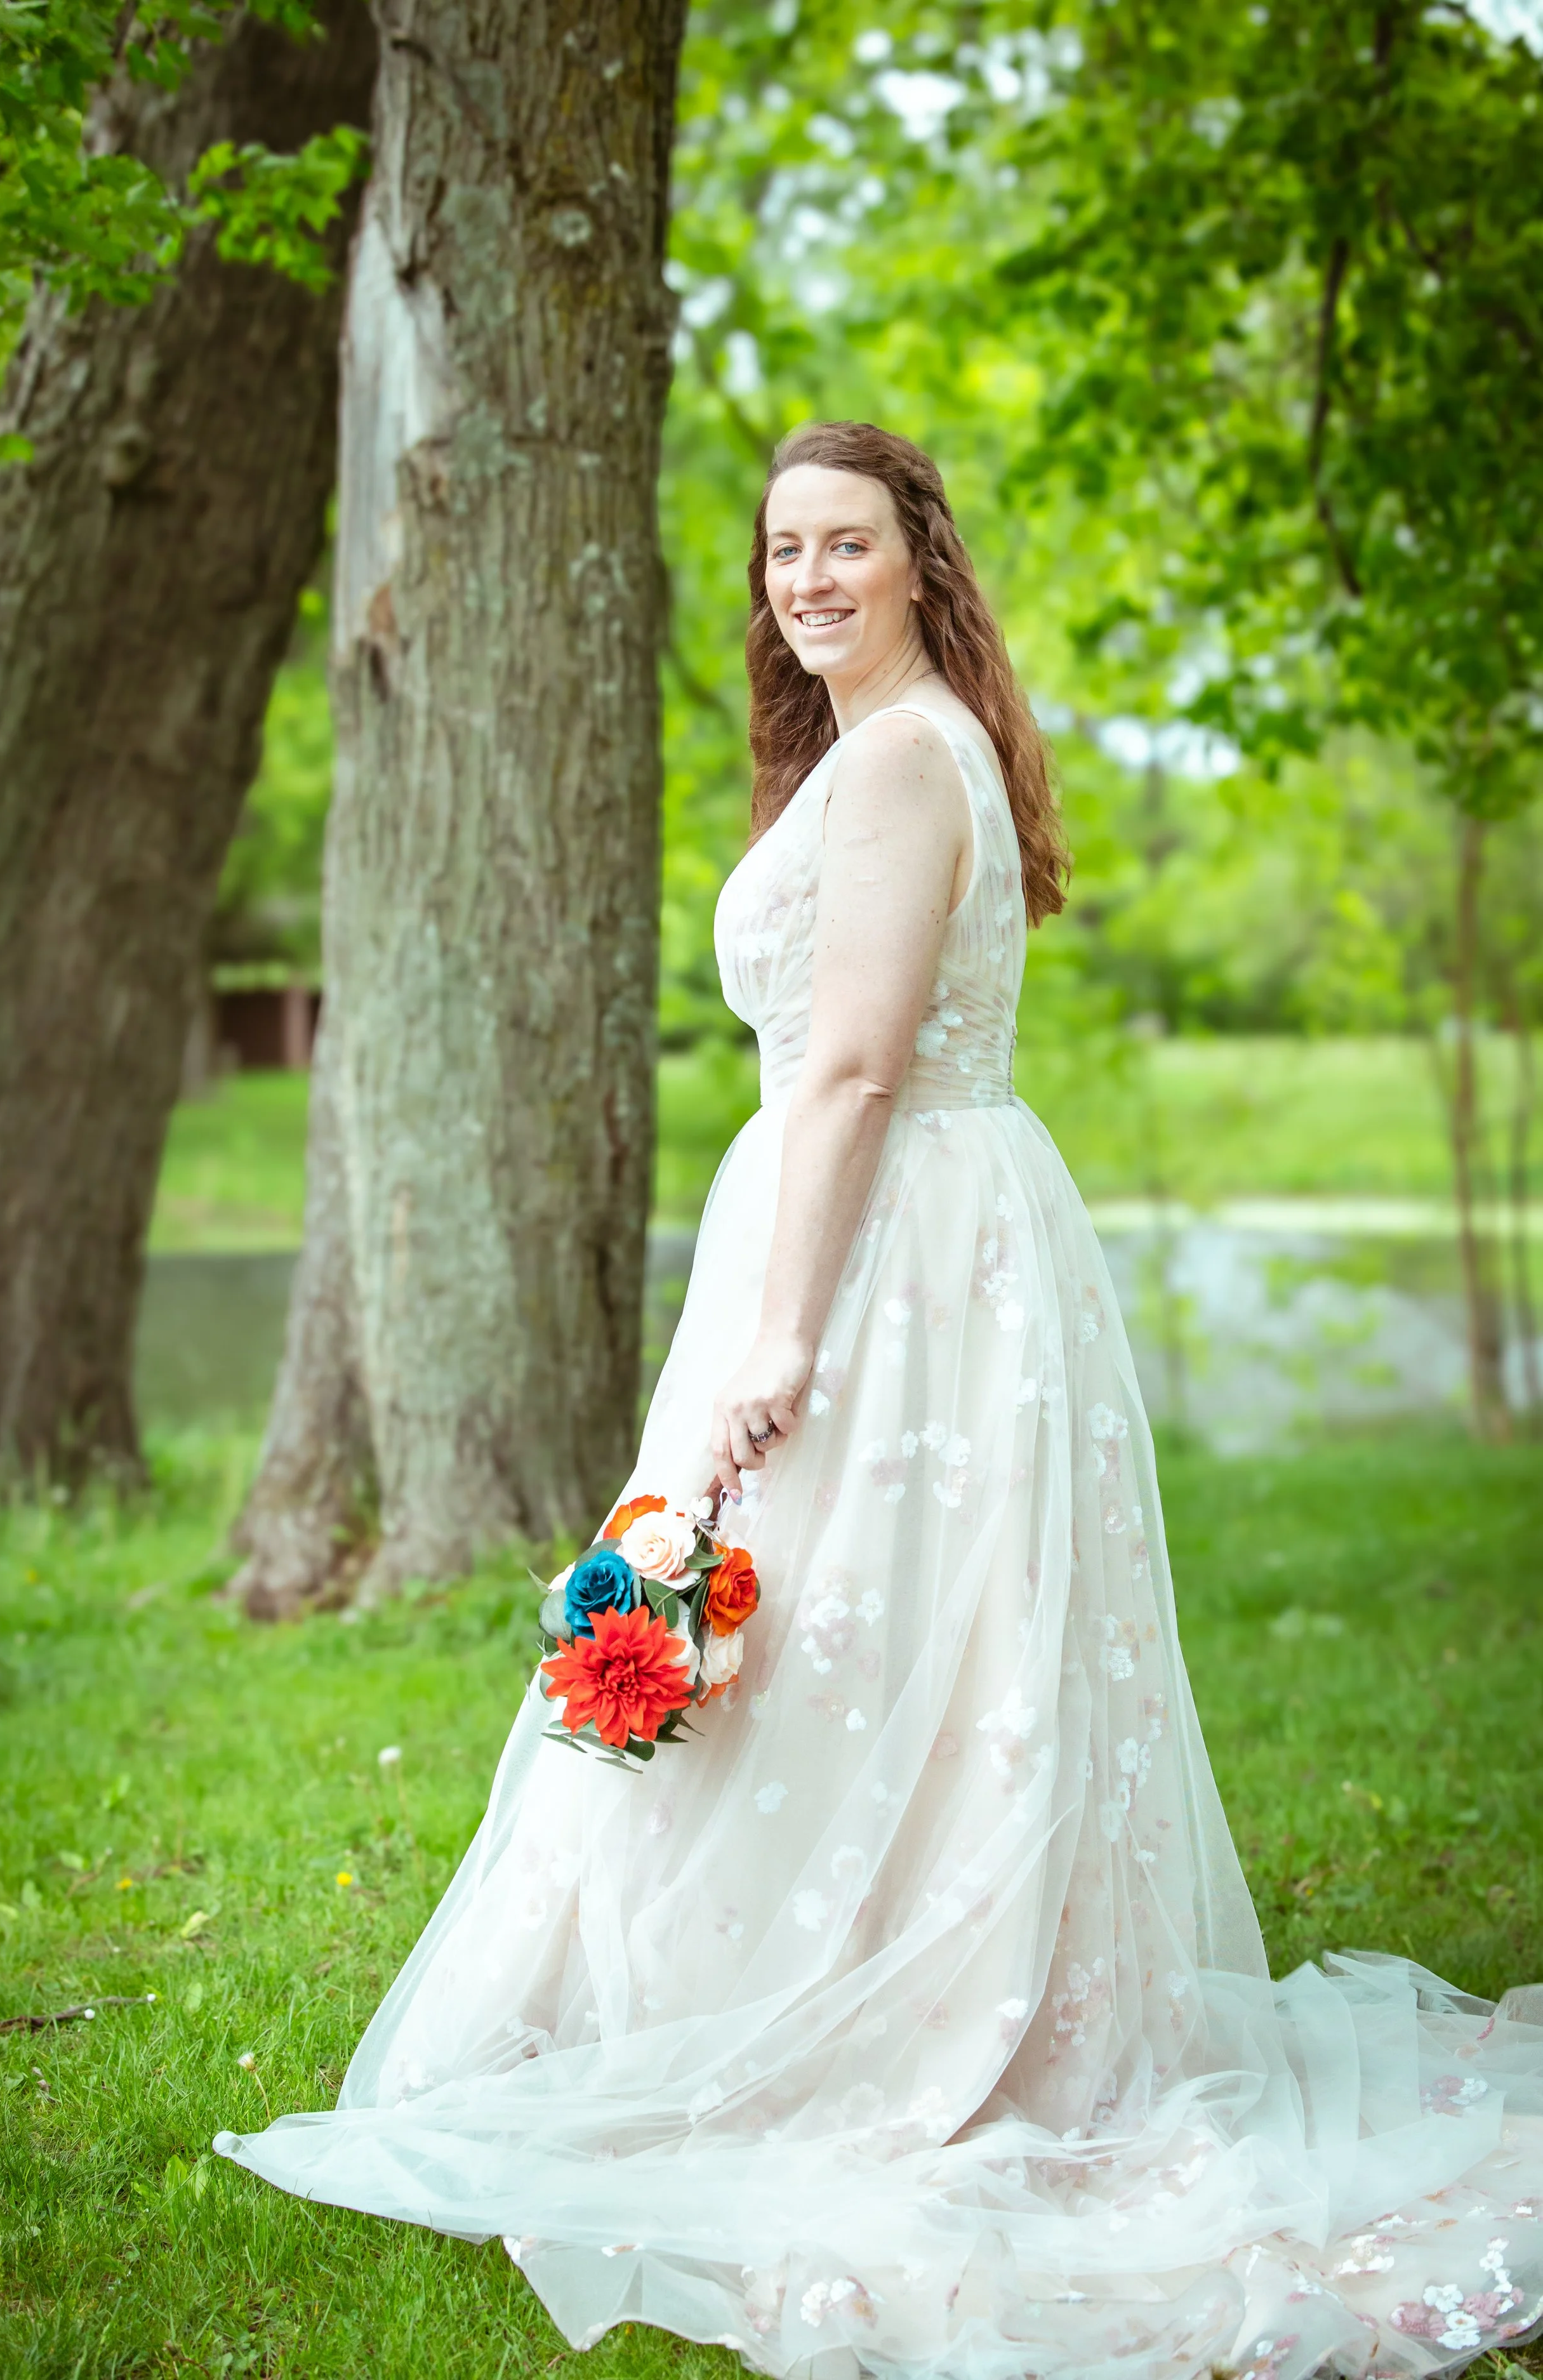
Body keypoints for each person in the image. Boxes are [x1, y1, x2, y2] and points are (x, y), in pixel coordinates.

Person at [218, 423, 1543, 2380]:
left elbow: (846, 1072)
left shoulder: (911, 763)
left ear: (918, 558)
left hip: (890, 1251)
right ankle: (754, 1972)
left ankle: (884, 2002)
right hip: (881, 1221)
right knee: (836, 1623)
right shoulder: (883, 754)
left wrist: (776, 1334)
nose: (810, 579)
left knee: (832, 1616)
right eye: (782, 553)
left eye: (846, 543)